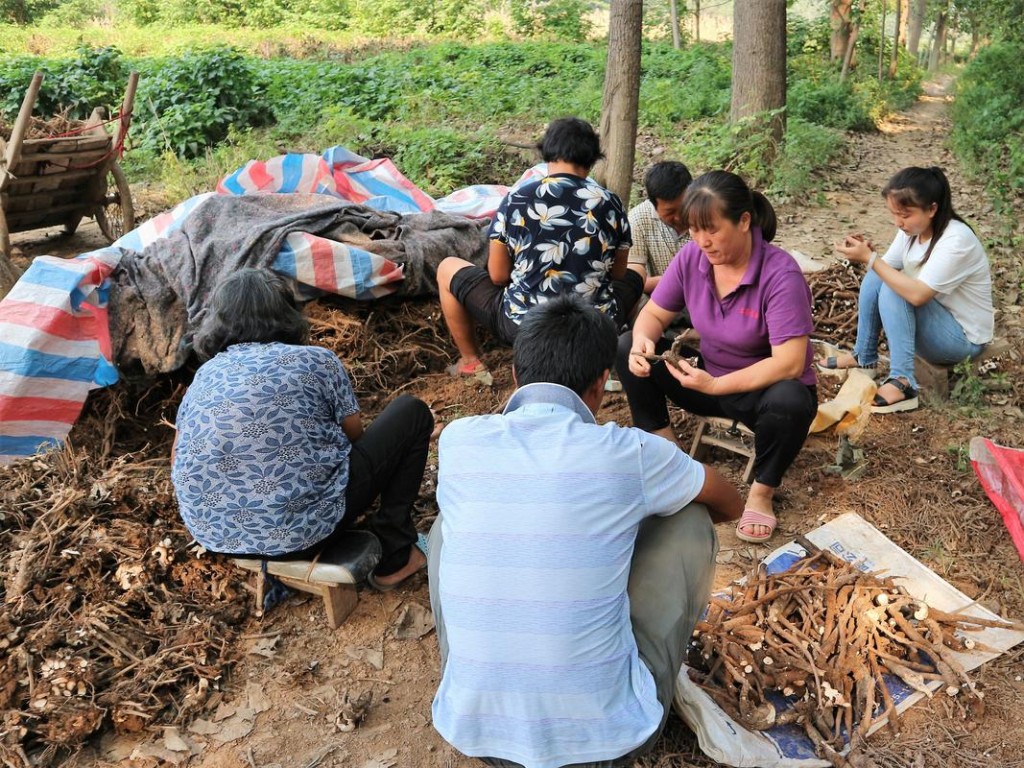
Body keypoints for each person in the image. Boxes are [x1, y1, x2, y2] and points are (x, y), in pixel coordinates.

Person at [428, 294, 742, 768]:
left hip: (476, 735)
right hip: (608, 746)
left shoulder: (459, 439)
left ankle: (483, 682)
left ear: (516, 375)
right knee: (690, 516)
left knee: (443, 529)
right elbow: (728, 500)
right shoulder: (628, 452)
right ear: (600, 385)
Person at [171, 268, 433, 591]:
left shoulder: (205, 376)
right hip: (305, 534)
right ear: (287, 313)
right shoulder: (316, 361)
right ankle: (396, 556)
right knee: (412, 412)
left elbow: (177, 460)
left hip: (218, 536)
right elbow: (355, 437)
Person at [617, 170, 817, 544]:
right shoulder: (693, 257)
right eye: (693, 230)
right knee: (626, 342)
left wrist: (717, 384)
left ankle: (761, 492)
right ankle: (668, 453)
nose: (701, 241)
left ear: (744, 221)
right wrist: (644, 341)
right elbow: (655, 315)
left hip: (760, 393)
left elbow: (789, 363)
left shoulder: (780, 274)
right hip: (707, 379)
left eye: (711, 230)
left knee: (791, 398)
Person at [436, 117, 639, 384]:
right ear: (592, 159)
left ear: (547, 153)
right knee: (637, 272)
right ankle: (614, 363)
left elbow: (497, 276)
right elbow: (619, 273)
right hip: (592, 326)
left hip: (525, 326)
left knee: (446, 268)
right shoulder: (610, 202)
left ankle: (470, 363)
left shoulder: (517, 198)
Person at [819, 166, 994, 413]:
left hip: (962, 339)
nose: (898, 222)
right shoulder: (913, 231)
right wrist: (867, 254)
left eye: (905, 214)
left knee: (893, 288)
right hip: (937, 322)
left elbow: (917, 294)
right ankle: (864, 356)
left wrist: (871, 258)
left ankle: (903, 382)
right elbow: (883, 269)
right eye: (894, 214)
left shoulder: (957, 240)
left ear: (932, 209)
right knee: (877, 276)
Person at [627, 160, 693, 296]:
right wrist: (678, 281)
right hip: (659, 298)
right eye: (670, 212)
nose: (680, 217)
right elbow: (633, 280)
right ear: (654, 205)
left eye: (684, 208)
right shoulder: (638, 219)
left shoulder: (707, 213)